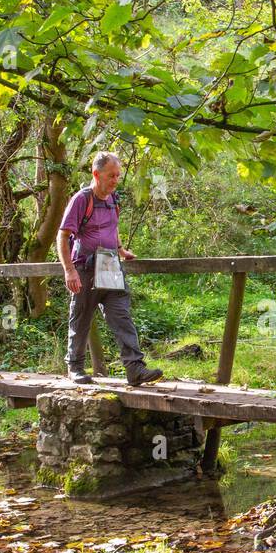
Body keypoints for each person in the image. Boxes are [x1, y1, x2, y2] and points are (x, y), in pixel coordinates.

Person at [57, 151, 163, 386]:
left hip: (110, 264)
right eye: (111, 176)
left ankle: (135, 368)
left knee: (121, 315)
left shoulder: (113, 200)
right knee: (81, 316)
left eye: (118, 175)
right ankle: (75, 367)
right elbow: (62, 236)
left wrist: (121, 249)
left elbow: (111, 228)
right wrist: (69, 270)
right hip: (84, 266)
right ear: (96, 174)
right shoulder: (82, 199)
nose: (115, 180)